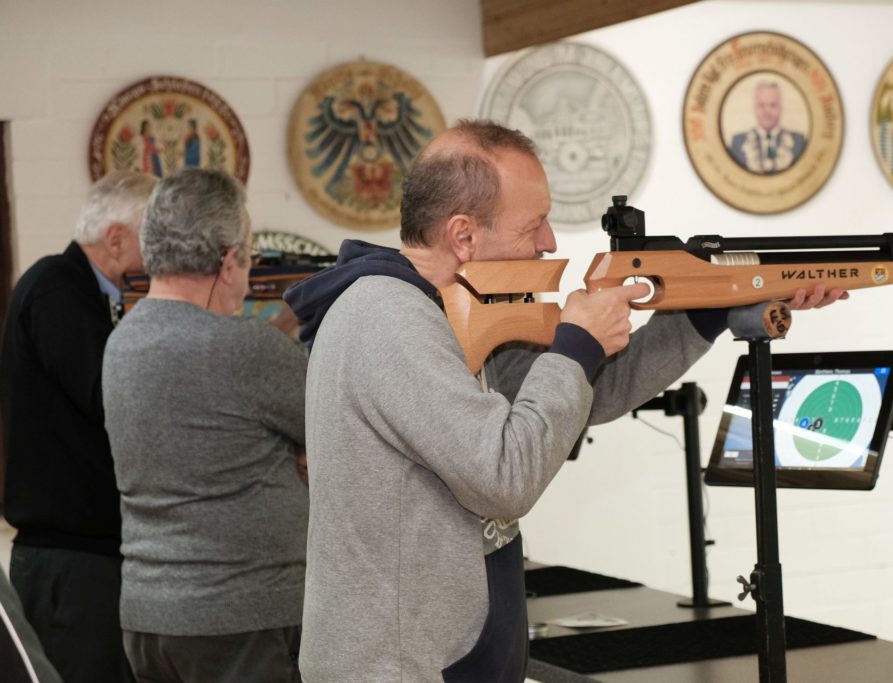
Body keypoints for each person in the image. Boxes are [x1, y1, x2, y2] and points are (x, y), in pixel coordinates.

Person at [286, 120, 845, 682]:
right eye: (534, 224)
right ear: (463, 236)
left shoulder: (438, 311)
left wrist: (710, 309)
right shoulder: (389, 319)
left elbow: (577, 397)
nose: (549, 241)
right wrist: (576, 342)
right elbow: (505, 477)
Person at [102, 169, 308, 682]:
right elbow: (344, 429)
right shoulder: (244, 348)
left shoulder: (121, 341)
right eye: (248, 251)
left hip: (150, 615)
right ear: (228, 257)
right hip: (239, 617)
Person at [0, 170, 157, 683]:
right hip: (68, 561)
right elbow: (108, 395)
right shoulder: (57, 288)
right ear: (115, 238)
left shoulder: (85, 291)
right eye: (151, 236)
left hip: (85, 555)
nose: (159, 253)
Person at [728, 81, 807, 174]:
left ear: (780, 107)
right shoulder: (738, 142)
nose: (767, 111)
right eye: (761, 105)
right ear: (755, 108)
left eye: (773, 105)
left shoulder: (799, 141)